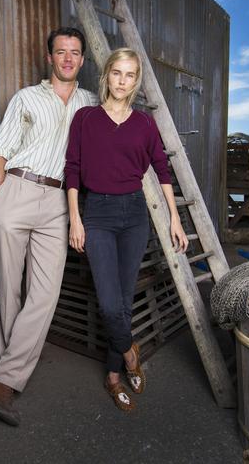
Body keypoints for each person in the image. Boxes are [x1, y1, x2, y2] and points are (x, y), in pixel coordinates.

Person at [0, 27, 98, 426]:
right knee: (10, 287)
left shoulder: (91, 103)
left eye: (75, 52)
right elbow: (1, 151)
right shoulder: (27, 97)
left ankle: (1, 379)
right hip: (18, 187)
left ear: (83, 60)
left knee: (45, 293)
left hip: (59, 201)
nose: (67, 58)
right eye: (60, 51)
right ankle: (8, 367)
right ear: (50, 58)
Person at [64, 48, 188, 412]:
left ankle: (114, 375)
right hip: (98, 213)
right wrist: (75, 217)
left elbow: (162, 170)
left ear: (136, 81)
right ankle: (131, 354)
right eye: (117, 73)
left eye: (130, 75)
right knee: (108, 302)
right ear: (106, 76)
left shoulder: (144, 124)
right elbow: (73, 169)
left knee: (121, 299)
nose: (122, 81)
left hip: (134, 215)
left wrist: (174, 217)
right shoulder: (85, 118)